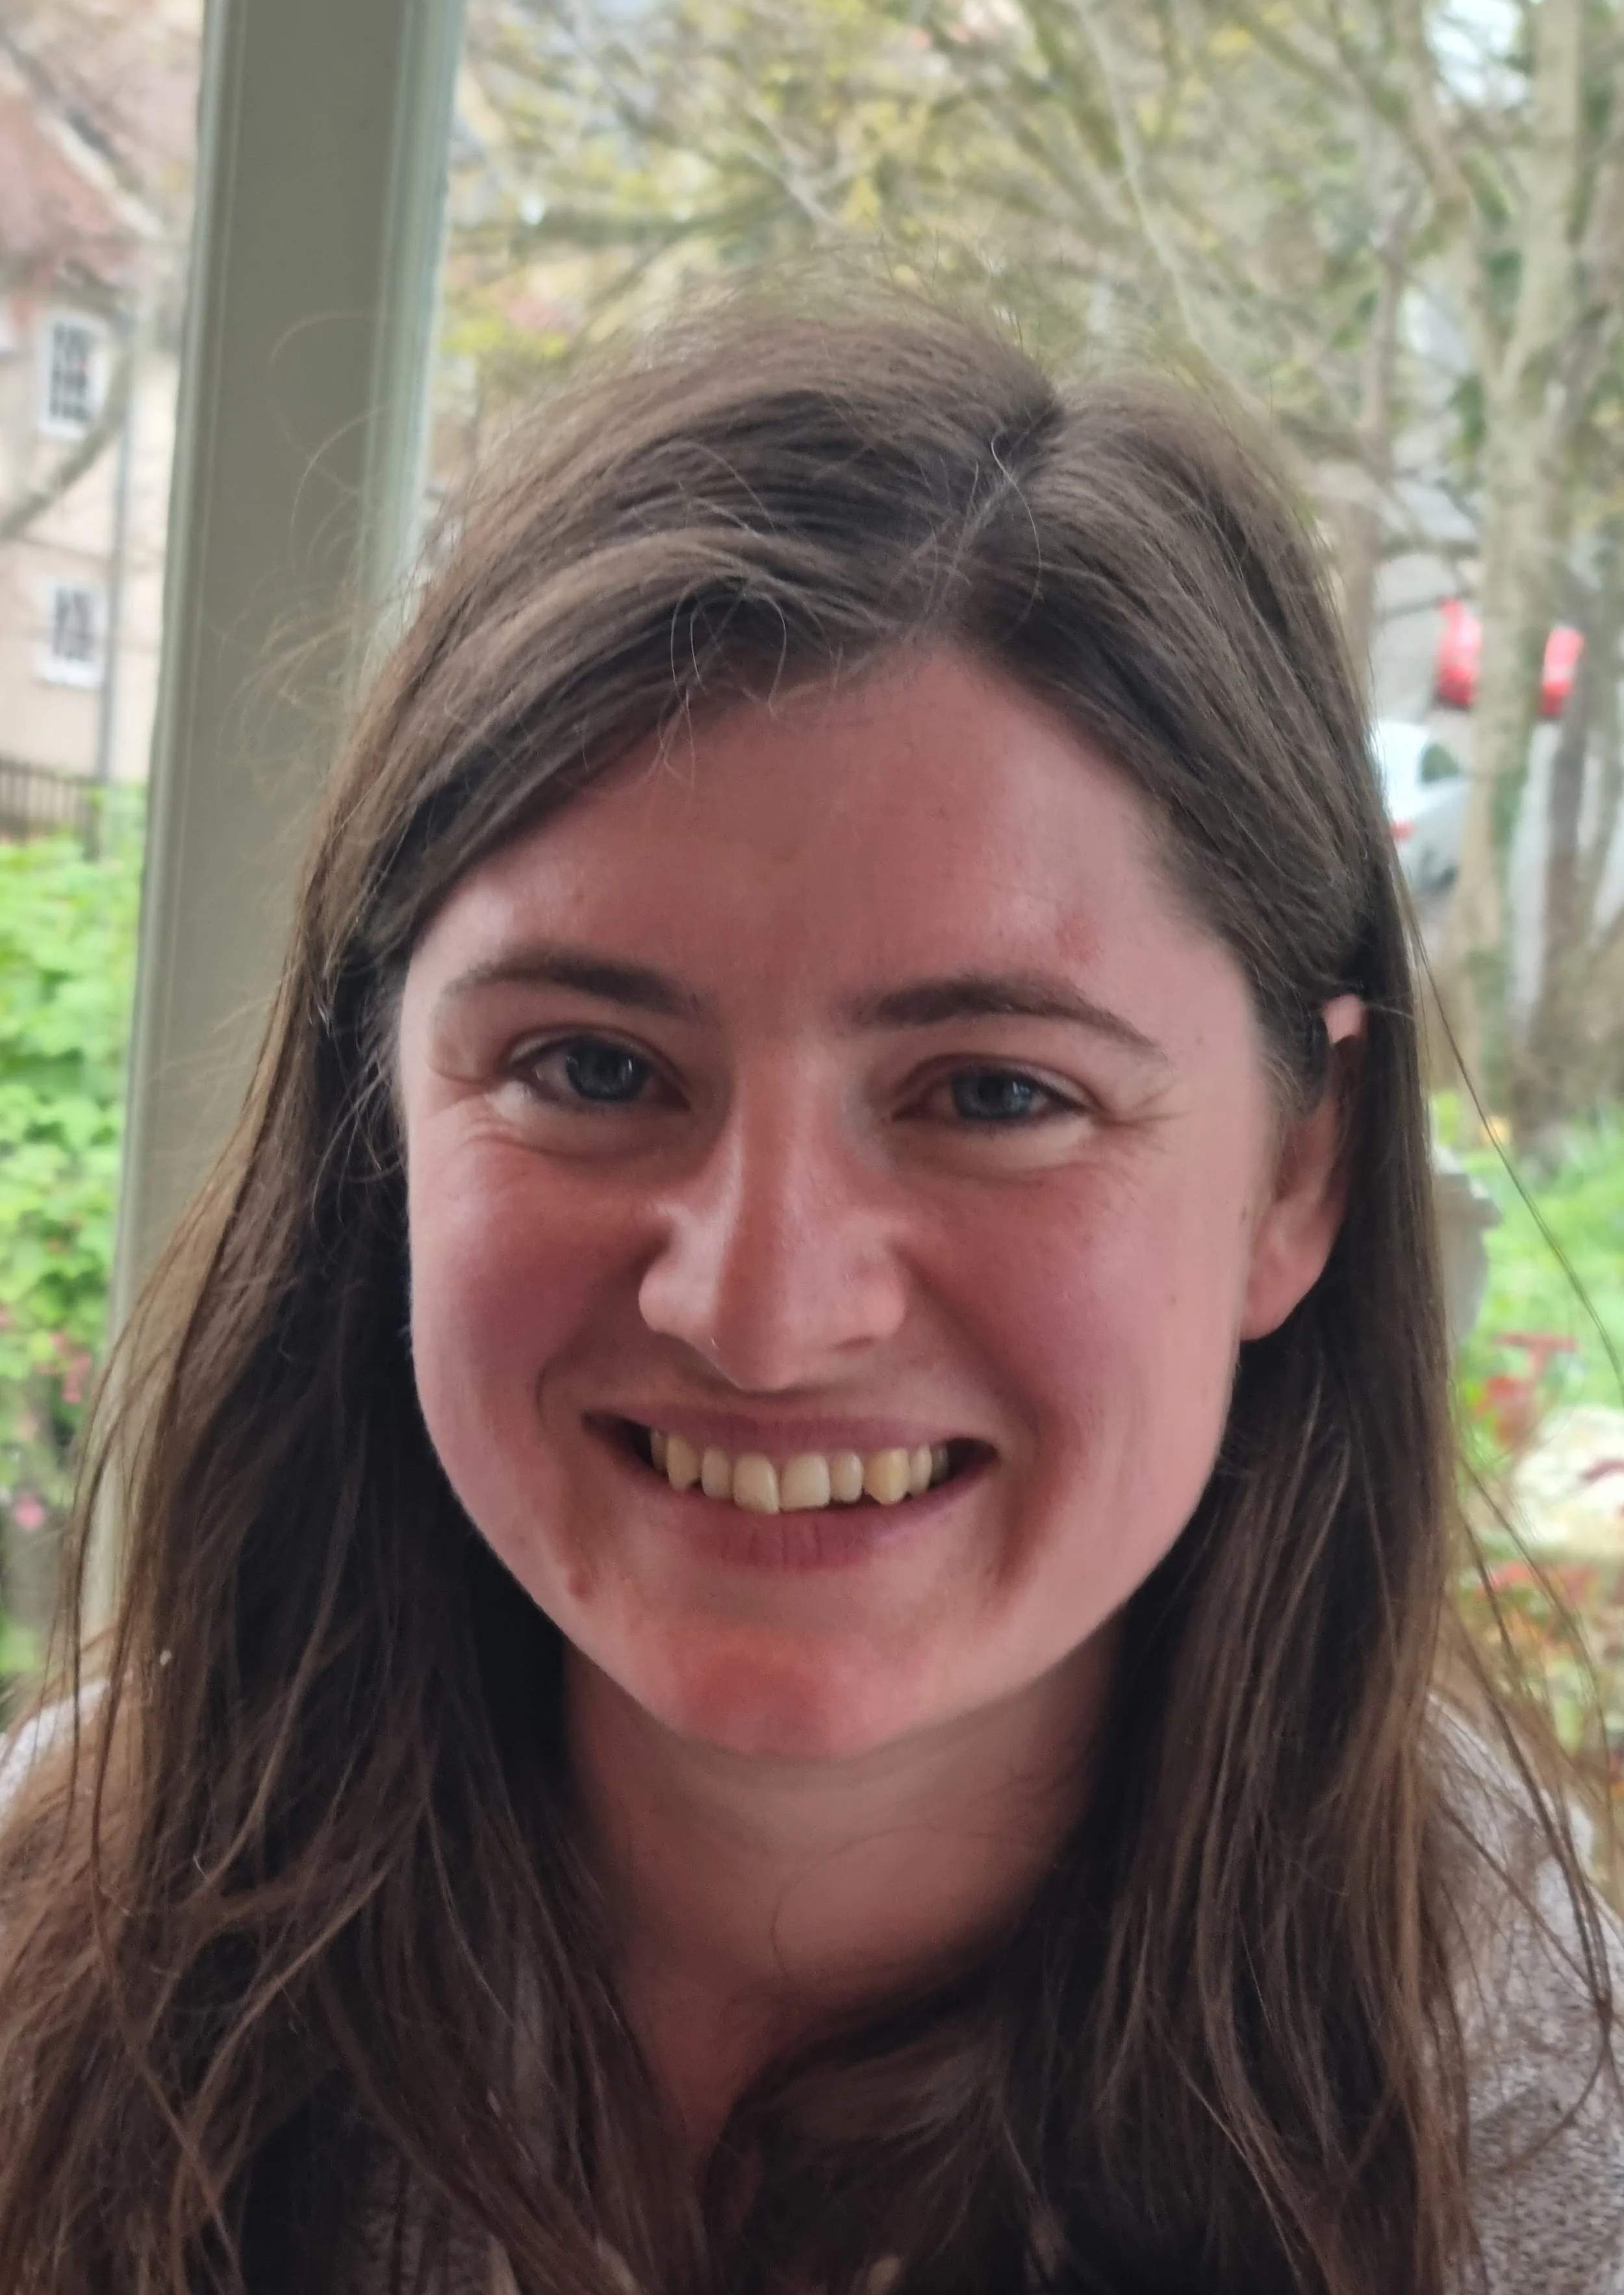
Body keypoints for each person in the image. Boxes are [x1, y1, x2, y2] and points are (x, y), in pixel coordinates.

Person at [0, 304, 1618, 2295]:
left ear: (1302, 1167)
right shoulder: (55, 1950)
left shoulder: (1544, 2148)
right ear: (380, 1111)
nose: (760, 1314)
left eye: (996, 1093)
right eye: (591, 1067)